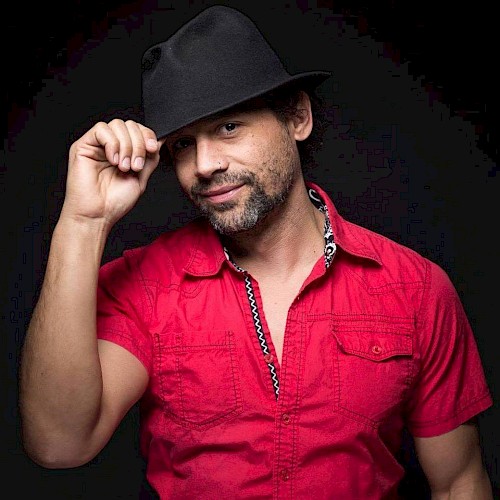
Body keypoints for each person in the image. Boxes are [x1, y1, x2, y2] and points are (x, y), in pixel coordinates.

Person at [19, 5, 494, 499]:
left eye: (229, 127)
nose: (204, 165)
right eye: (183, 144)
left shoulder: (415, 288)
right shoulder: (146, 285)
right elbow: (59, 443)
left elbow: (459, 482)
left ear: (297, 118)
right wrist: (83, 221)